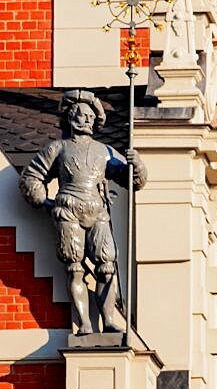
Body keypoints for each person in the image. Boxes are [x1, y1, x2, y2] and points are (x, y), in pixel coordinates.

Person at [19, 90, 147, 335]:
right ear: (70, 117)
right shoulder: (57, 148)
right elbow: (32, 176)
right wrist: (45, 203)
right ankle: (85, 324)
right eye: (79, 114)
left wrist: (136, 164)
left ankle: (109, 319)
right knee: (74, 267)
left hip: (97, 210)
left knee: (107, 265)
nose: (84, 119)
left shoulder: (105, 151)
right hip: (69, 210)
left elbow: (132, 181)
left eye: (89, 115)